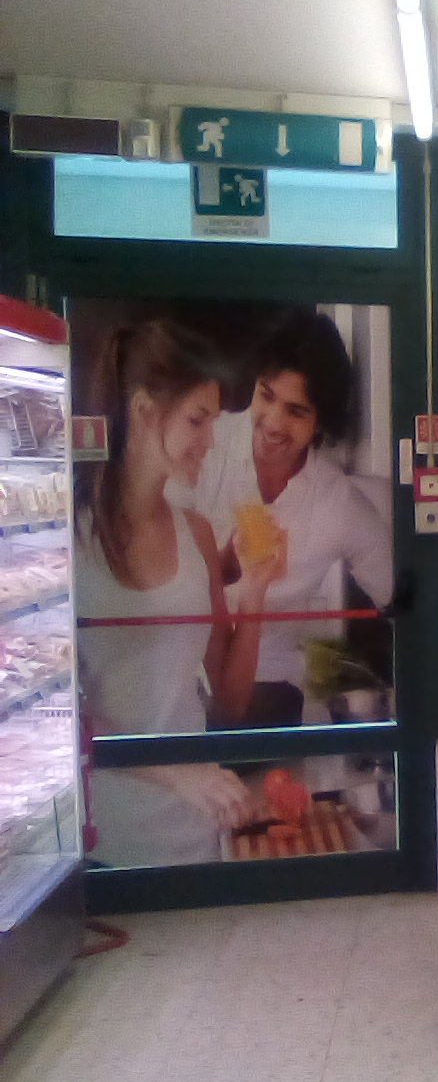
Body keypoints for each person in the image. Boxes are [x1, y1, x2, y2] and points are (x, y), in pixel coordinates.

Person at [76, 316, 286, 867]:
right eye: (198, 419)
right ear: (145, 411)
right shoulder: (69, 544)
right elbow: (55, 717)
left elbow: (230, 701)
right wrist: (179, 773)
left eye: (213, 421)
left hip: (196, 840)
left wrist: (255, 591)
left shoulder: (197, 535)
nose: (210, 441)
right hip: (101, 848)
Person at [194, 308, 392, 727]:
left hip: (272, 700)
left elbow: (403, 599)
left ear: (322, 422)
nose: (273, 424)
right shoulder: (203, 446)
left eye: (296, 411)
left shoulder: (337, 502)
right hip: (180, 683)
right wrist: (221, 564)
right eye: (266, 396)